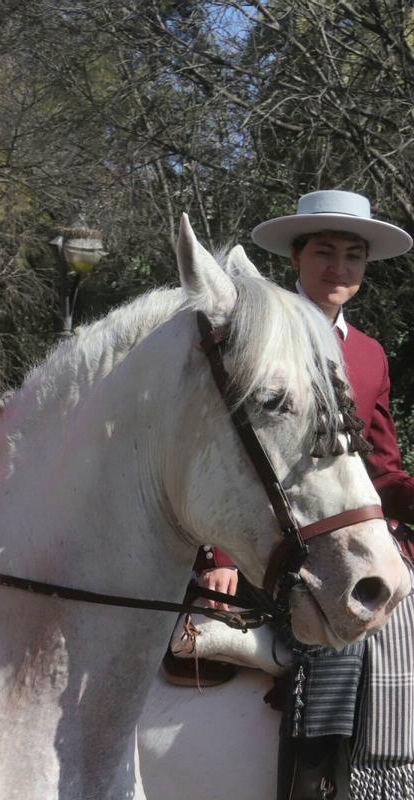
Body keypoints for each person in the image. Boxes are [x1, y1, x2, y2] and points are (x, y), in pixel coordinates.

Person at [186, 191, 414, 799]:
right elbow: (222, 453)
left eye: (353, 256)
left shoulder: (368, 354)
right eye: (325, 252)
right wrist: (220, 557)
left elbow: (382, 469)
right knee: (339, 638)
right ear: (296, 256)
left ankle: (390, 774)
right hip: (273, 539)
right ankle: (312, 785)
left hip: (345, 528)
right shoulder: (255, 333)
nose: (339, 269)